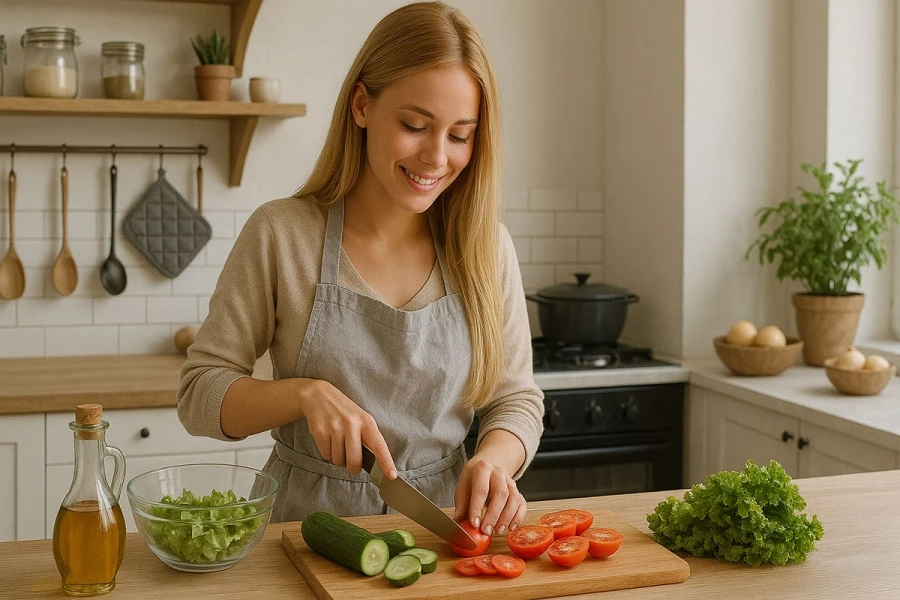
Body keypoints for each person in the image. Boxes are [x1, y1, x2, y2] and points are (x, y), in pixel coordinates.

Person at [177, 1, 544, 538]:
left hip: (444, 534)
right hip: (304, 532)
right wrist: (301, 394)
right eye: (415, 125)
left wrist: (494, 459)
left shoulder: (487, 249)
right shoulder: (282, 234)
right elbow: (199, 394)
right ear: (361, 105)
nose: (436, 157)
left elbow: (516, 399)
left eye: (460, 135)